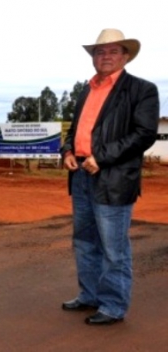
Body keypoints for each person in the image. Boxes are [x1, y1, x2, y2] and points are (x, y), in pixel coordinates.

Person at [60, 29, 159, 325]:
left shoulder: (142, 90)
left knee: (113, 247)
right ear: (93, 58)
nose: (106, 57)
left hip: (113, 178)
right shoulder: (86, 89)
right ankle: (90, 295)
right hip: (80, 176)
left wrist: (100, 157)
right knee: (85, 241)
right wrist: (67, 151)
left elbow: (144, 133)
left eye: (113, 51)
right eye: (100, 52)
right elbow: (75, 130)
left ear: (125, 56)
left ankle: (113, 305)